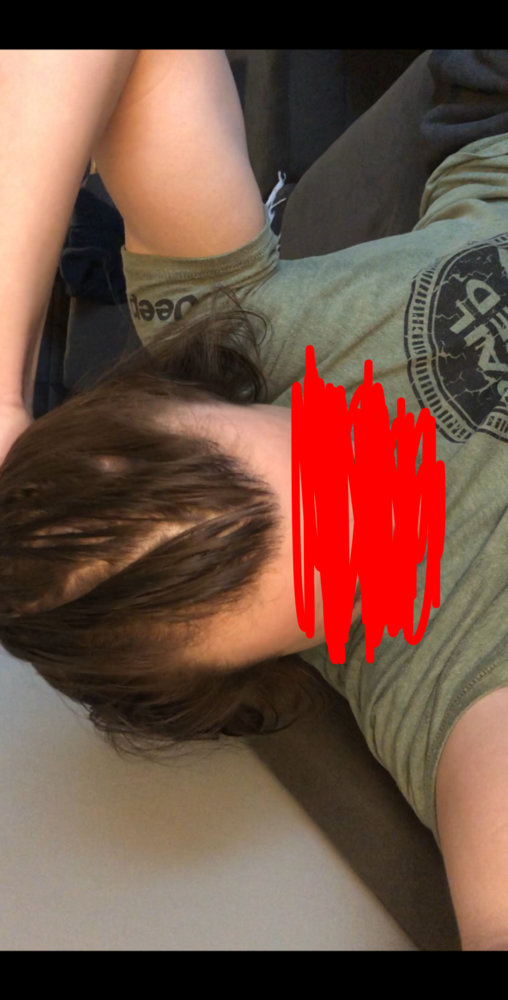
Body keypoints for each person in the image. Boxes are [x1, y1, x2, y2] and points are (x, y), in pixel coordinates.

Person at [1, 49, 508, 950]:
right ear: (228, 677)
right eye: (336, 569)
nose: (375, 492)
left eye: (316, 455)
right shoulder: (443, 686)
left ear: (194, 394)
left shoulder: (242, 327)